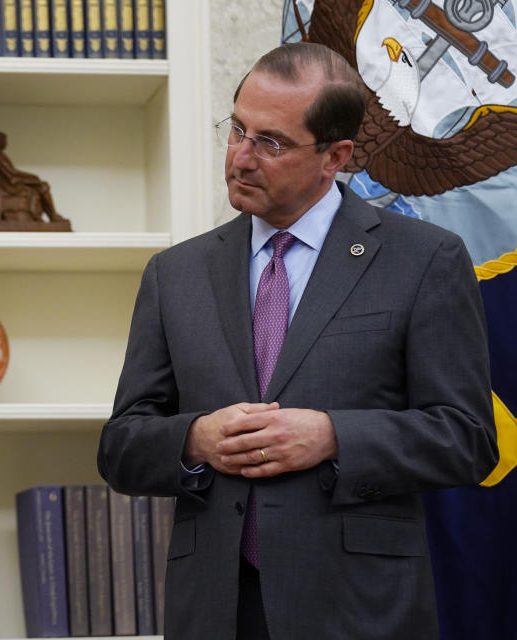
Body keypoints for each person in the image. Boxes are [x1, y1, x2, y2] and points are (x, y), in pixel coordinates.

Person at [97, 42, 497, 639]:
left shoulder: (424, 260)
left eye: (271, 142)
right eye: (236, 131)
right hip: (216, 609)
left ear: (335, 156)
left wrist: (334, 435)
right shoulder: (174, 274)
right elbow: (121, 446)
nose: (240, 157)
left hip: (359, 609)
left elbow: (467, 439)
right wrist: (195, 438)